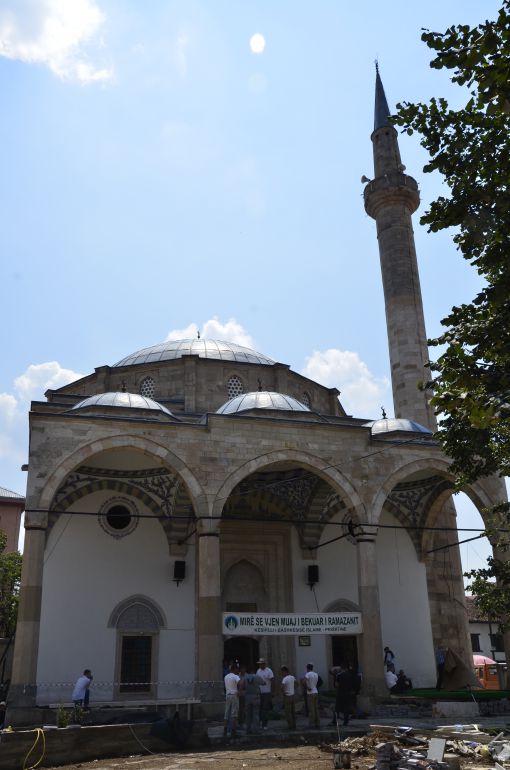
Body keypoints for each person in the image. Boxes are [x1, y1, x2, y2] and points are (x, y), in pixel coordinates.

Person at [241, 664, 264, 733]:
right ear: (253, 670)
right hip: (255, 696)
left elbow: (241, 685)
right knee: (256, 713)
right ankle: (256, 729)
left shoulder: (245, 677)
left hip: (247, 696)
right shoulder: (257, 676)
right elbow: (263, 683)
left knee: (248, 714)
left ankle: (248, 729)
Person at [256, 658, 274, 729]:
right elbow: (257, 680)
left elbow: (272, 680)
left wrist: (272, 691)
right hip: (260, 692)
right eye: (259, 664)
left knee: (265, 709)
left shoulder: (269, 671)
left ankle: (264, 724)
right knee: (260, 708)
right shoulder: (258, 671)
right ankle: (260, 723)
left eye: (261, 664)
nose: (260, 665)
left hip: (267, 692)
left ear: (264, 664)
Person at [223, 663, 240, 739]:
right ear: (235, 669)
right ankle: (234, 731)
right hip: (234, 695)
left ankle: (225, 730)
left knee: (226, 713)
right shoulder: (236, 676)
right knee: (234, 714)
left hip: (228, 695)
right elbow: (241, 682)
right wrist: (239, 690)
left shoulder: (226, 677)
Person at [303, 663, 320, 728]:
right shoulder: (316, 674)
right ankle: (317, 723)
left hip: (310, 693)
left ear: (307, 668)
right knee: (316, 709)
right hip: (316, 692)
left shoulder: (308, 674)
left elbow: (303, 682)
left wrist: (307, 688)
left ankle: (311, 723)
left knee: (311, 709)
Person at [280, 666, 296, 730]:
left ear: (285, 672)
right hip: (292, 696)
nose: (282, 673)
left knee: (288, 712)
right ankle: (294, 725)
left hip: (287, 696)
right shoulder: (292, 677)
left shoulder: (285, 679)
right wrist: (293, 689)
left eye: (282, 672)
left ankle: (290, 726)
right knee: (293, 712)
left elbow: (282, 687)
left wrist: (283, 692)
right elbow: (297, 683)